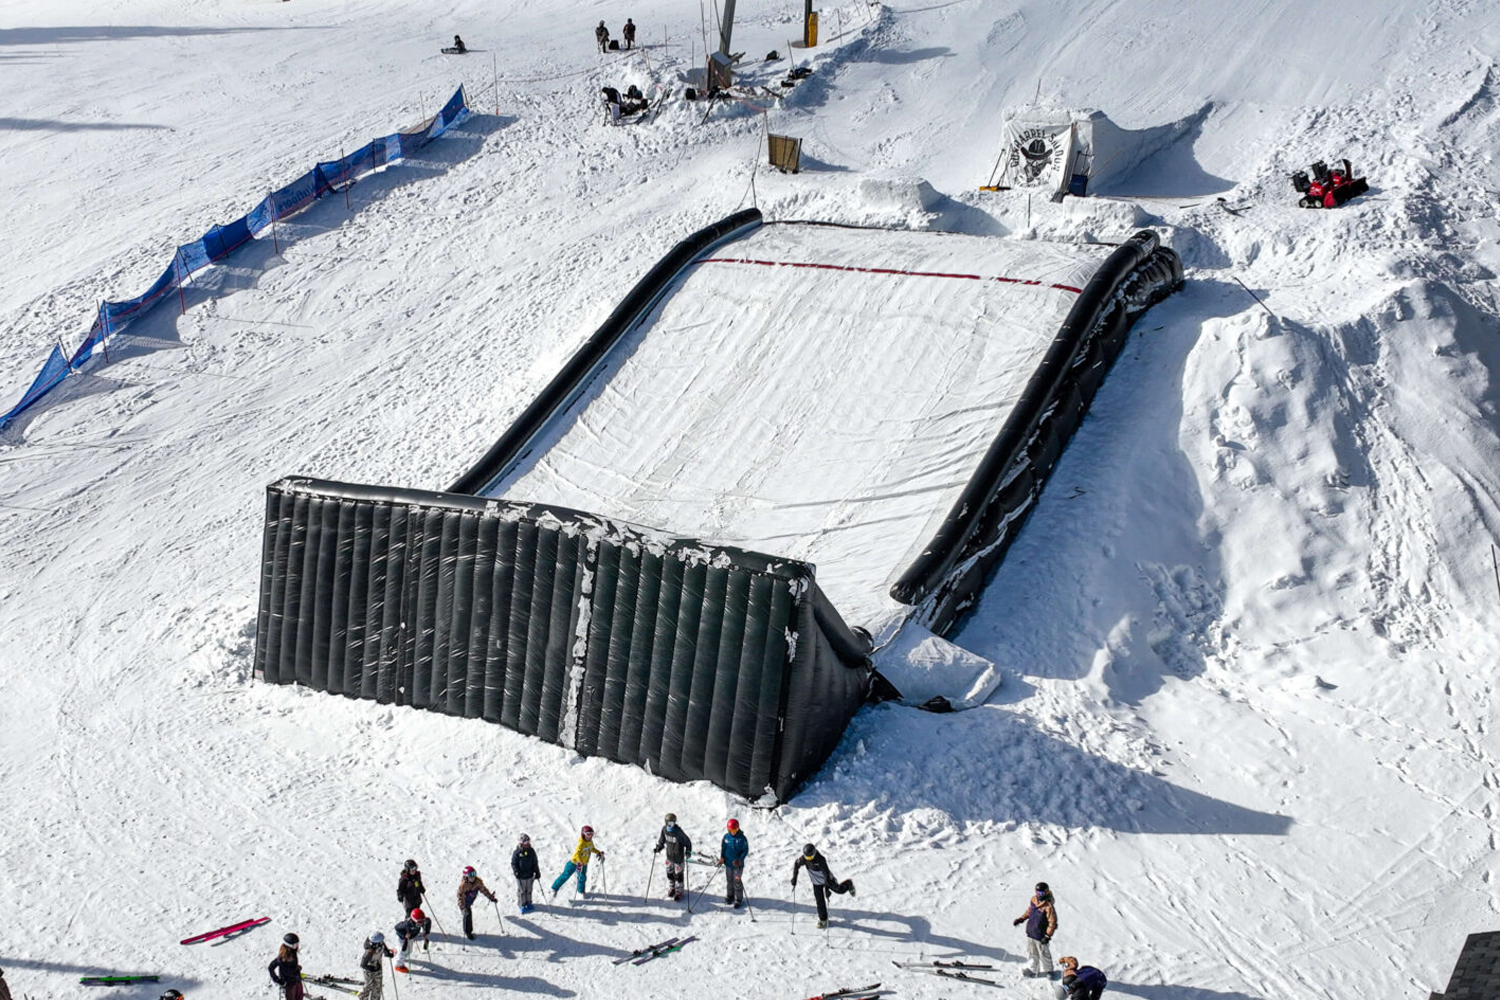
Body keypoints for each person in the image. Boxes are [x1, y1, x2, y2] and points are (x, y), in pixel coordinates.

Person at [791, 843, 855, 928]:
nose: (808, 859)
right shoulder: (804, 859)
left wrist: (827, 889)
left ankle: (848, 884)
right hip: (816, 882)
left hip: (827, 879)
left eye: (810, 857)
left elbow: (826, 875)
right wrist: (794, 878)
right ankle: (823, 919)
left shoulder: (820, 860)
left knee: (839, 890)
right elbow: (796, 865)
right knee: (819, 901)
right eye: (807, 857)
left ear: (814, 854)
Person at [1013, 882, 1059, 978]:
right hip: (1031, 932)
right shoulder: (1033, 900)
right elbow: (1029, 911)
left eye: (1041, 893)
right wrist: (1021, 919)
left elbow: (1052, 922)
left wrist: (1047, 936)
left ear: (1046, 893)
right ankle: (1033, 969)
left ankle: (1049, 971)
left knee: (1044, 954)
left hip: (1041, 935)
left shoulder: (1048, 906)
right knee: (1032, 952)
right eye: (1037, 892)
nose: (1039, 895)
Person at [551, 825, 606, 897]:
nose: (590, 836)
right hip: (574, 863)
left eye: (592, 834)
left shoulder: (590, 842)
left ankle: (581, 891)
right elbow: (577, 854)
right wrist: (580, 861)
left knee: (582, 877)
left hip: (584, 864)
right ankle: (554, 888)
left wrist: (598, 852)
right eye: (588, 834)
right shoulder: (581, 843)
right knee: (566, 875)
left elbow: (591, 848)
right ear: (583, 834)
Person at [654, 812, 694, 901]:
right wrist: (659, 847)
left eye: (671, 823)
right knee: (669, 873)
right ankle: (672, 888)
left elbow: (687, 842)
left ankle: (679, 891)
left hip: (678, 858)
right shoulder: (664, 830)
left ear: (674, 823)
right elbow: (662, 840)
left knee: (679, 875)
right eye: (668, 823)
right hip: (669, 857)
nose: (669, 825)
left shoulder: (678, 832)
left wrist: (688, 851)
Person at [457, 865, 498, 939]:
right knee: (467, 916)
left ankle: (469, 930)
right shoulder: (463, 886)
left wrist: (491, 897)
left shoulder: (478, 882)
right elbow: (460, 897)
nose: (473, 878)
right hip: (465, 903)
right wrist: (463, 907)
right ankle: (468, 932)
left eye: (474, 875)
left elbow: (484, 890)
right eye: (470, 876)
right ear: (466, 877)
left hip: (470, 901)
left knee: (469, 915)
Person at [719, 818, 749, 908]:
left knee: (737, 881)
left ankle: (738, 899)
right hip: (728, 864)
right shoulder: (726, 837)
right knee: (729, 881)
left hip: (738, 866)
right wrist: (722, 857)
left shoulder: (742, 839)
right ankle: (730, 896)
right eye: (730, 830)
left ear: (738, 828)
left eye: (734, 830)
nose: (732, 832)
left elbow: (745, 850)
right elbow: (723, 848)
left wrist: (740, 860)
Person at [267, 933, 304, 1000]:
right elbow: (271, 967)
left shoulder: (293, 952)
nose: (297, 946)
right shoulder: (282, 958)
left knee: (299, 997)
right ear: (289, 945)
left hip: (297, 980)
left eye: (297, 944)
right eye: (295, 944)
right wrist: (278, 980)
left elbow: (292, 966)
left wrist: (297, 968)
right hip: (289, 984)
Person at [512, 833, 542, 913]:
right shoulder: (517, 852)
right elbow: (514, 863)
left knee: (529, 890)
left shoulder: (531, 851)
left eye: (528, 842)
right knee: (522, 891)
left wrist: (537, 871)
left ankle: (528, 903)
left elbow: (535, 862)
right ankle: (522, 904)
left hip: (530, 875)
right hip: (521, 876)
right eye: (525, 843)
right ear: (521, 843)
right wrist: (516, 871)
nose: (527, 844)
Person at [359, 932, 393, 999]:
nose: (382, 942)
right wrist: (372, 969)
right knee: (369, 985)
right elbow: (363, 964)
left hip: (377, 966)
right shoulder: (370, 951)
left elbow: (383, 946)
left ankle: (375, 998)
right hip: (369, 970)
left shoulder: (380, 944)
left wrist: (387, 952)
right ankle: (363, 997)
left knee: (378, 984)